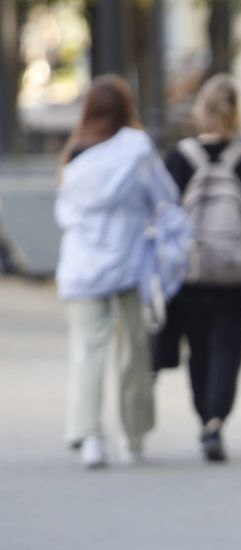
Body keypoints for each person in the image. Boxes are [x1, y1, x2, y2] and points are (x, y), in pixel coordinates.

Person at [54, 75, 177, 468]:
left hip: (81, 267)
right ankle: (135, 437)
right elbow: (166, 196)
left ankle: (88, 435)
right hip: (126, 264)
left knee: (86, 351)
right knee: (133, 353)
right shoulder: (137, 150)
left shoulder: (75, 155)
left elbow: (64, 213)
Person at [156, 73, 241, 462]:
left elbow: (165, 213)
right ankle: (216, 422)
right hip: (235, 275)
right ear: (236, 113)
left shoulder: (180, 157)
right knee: (227, 348)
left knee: (199, 350)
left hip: (190, 274)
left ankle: (203, 417)